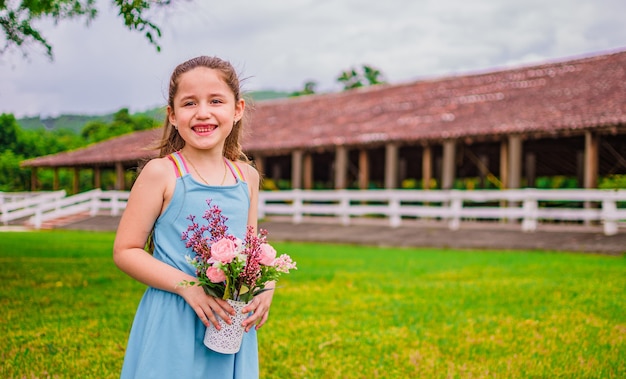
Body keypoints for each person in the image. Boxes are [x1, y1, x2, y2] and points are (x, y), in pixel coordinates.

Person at [113, 56, 272, 379]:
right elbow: (125, 251)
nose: (203, 112)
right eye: (189, 103)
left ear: (237, 109)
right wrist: (188, 287)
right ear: (172, 115)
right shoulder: (161, 173)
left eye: (216, 101)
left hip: (228, 317)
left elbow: (251, 250)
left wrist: (265, 286)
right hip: (174, 312)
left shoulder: (247, 177)